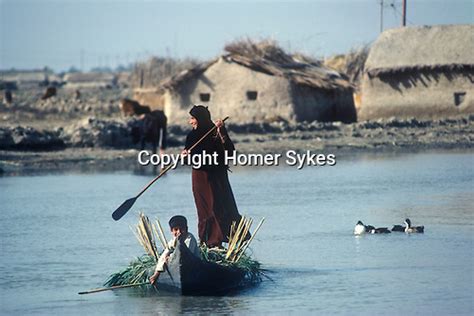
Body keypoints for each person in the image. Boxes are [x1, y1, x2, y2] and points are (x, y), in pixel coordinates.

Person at [183, 105, 248, 247]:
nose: (190, 121)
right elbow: (190, 159)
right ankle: (207, 242)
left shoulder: (215, 132)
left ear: (200, 119)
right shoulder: (192, 136)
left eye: (193, 118)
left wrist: (221, 130)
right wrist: (185, 156)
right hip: (200, 177)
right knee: (204, 210)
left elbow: (230, 152)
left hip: (217, 177)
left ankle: (228, 240)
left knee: (219, 206)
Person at [149, 215, 200, 284]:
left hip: (192, 265)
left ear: (186, 229)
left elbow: (185, 254)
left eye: (181, 229)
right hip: (178, 265)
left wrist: (170, 258)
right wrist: (157, 273)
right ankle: (156, 275)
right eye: (176, 229)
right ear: (171, 231)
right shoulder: (174, 240)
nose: (179, 232)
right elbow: (164, 254)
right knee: (164, 257)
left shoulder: (190, 239)